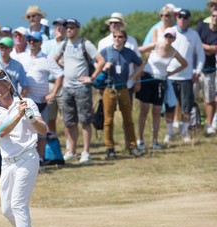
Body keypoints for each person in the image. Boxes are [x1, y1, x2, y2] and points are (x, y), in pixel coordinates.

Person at [0, 70, 47, 227]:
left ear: (9, 86)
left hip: (27, 158)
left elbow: (44, 129)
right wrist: (19, 115)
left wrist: (32, 118)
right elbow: (1, 132)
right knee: (7, 209)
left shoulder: (27, 103)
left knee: (19, 204)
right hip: (7, 162)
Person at [55, 19, 104, 163]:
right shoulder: (63, 44)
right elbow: (54, 60)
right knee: (69, 121)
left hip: (82, 88)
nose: (69, 30)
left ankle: (86, 152)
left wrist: (92, 77)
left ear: (78, 29)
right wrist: (62, 65)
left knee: (85, 121)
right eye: (67, 28)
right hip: (67, 87)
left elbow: (101, 61)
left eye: (71, 27)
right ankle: (72, 150)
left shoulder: (85, 44)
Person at [136, 28, 187, 149]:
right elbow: (138, 51)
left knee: (157, 111)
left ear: (174, 39)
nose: (168, 39)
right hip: (147, 78)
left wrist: (171, 73)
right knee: (144, 109)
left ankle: (155, 141)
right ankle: (140, 140)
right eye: (167, 36)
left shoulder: (174, 52)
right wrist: (140, 67)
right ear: (164, 36)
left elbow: (184, 64)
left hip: (161, 81)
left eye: (171, 37)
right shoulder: (155, 45)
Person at [18, 31, 63, 165]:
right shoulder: (21, 57)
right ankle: (26, 159)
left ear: (40, 43)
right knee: (25, 131)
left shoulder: (47, 59)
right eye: (30, 40)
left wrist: (53, 93)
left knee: (41, 132)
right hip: (24, 101)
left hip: (40, 101)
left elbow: (59, 75)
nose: (32, 43)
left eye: (35, 41)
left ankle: (41, 158)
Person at [99, 30, 144, 159]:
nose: (117, 39)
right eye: (115, 37)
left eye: (120, 37)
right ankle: (109, 148)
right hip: (109, 88)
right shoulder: (106, 51)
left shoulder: (129, 52)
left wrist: (134, 76)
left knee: (128, 119)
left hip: (123, 88)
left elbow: (141, 65)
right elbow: (95, 63)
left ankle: (132, 146)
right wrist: (103, 67)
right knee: (108, 120)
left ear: (125, 39)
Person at [164, 9, 205, 143]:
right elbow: (162, 50)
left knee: (186, 107)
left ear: (188, 19)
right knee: (169, 107)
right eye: (179, 16)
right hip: (169, 76)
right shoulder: (170, 32)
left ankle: (185, 132)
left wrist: (197, 71)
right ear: (176, 18)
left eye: (184, 17)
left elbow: (200, 54)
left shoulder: (193, 35)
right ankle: (170, 132)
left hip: (186, 77)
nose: (182, 19)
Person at [42, 18, 67, 134]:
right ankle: (53, 141)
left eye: (61, 26)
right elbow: (45, 62)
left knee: (67, 117)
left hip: (65, 84)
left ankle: (69, 147)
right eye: (56, 26)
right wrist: (59, 62)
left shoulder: (69, 43)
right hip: (50, 83)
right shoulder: (47, 44)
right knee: (50, 117)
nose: (58, 28)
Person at [196, 8, 217, 134]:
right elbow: (196, 42)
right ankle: (192, 123)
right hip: (195, 69)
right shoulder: (201, 26)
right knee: (190, 98)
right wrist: (209, 47)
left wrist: (205, 47)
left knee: (209, 99)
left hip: (210, 70)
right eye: (213, 15)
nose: (215, 18)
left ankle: (209, 124)